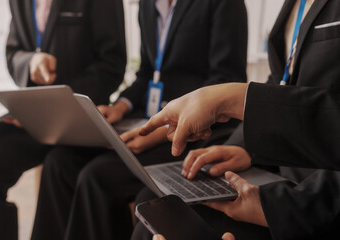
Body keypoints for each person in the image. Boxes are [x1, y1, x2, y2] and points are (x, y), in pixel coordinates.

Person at [32, 0, 248, 239]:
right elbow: (146, 72)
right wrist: (121, 107)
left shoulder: (224, 4)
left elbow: (226, 80)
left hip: (198, 130)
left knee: (96, 176)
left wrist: (158, 130)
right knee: (60, 162)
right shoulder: (148, 4)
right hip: (150, 121)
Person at [135, 0, 340, 239]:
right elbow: (282, 82)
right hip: (278, 170)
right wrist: (245, 147)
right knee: (152, 203)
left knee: (161, 220)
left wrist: (288, 207)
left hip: (314, 200)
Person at [0, 0, 126, 239]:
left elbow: (112, 64)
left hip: (74, 115)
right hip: (32, 111)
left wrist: (56, 103)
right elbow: (13, 52)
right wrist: (30, 61)